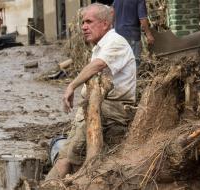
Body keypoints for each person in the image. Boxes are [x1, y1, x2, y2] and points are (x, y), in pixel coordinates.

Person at [46, 3, 136, 180]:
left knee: (67, 158)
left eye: (89, 22)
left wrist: (72, 86)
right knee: (68, 155)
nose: (83, 27)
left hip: (111, 110)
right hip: (96, 109)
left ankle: (47, 185)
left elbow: (98, 65)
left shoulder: (115, 42)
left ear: (105, 24)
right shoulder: (100, 46)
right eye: (82, 22)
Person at [113, 0, 154, 67]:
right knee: (134, 62)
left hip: (117, 34)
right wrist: (148, 34)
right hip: (131, 34)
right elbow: (142, 18)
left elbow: (112, 14)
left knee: (120, 63)